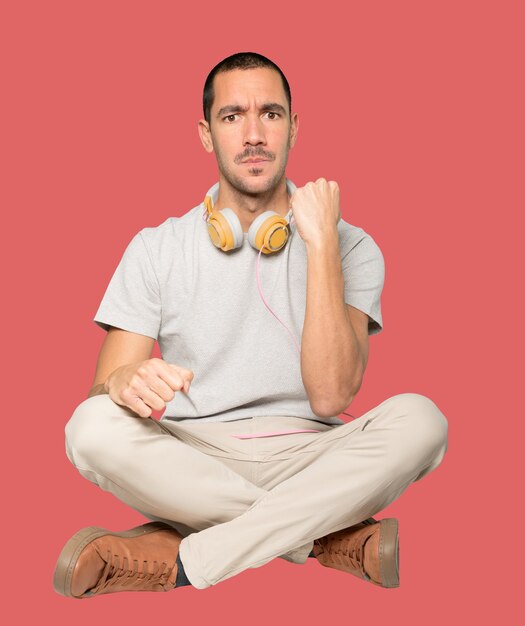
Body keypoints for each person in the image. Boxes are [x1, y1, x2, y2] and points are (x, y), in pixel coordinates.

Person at [53, 51, 448, 599]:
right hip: (194, 458)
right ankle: (321, 539)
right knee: (89, 427)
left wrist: (322, 243)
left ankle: (188, 561)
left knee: (423, 421)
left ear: (294, 127)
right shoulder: (155, 248)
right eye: (233, 116)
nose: (254, 134)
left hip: (315, 457)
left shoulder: (351, 246)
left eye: (271, 114)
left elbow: (332, 394)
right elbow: (103, 390)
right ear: (206, 134)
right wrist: (120, 384)